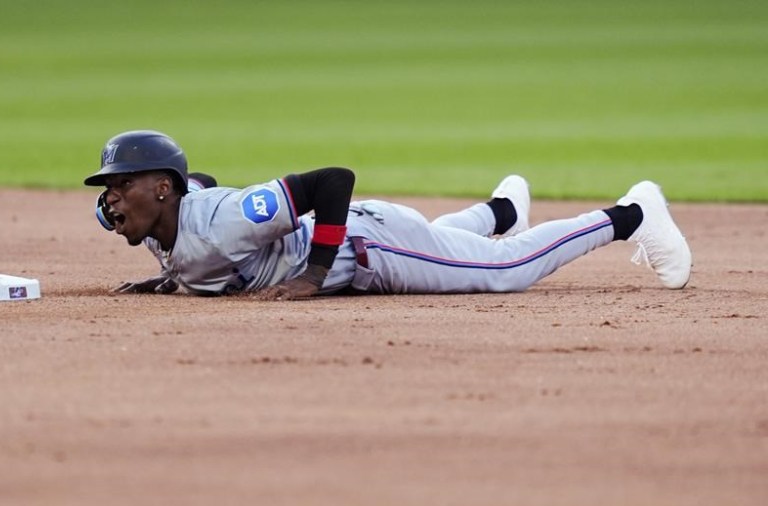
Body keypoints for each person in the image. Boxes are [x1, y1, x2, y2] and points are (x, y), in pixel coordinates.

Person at [83, 130, 692, 300]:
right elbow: (200, 203)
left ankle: (632, 213)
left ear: (164, 188)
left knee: (509, 269)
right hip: (371, 239)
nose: (111, 199)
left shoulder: (221, 220)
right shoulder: (163, 227)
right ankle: (501, 207)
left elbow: (331, 181)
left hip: (367, 248)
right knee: (445, 241)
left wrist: (315, 273)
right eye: (106, 188)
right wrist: (168, 276)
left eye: (121, 185)